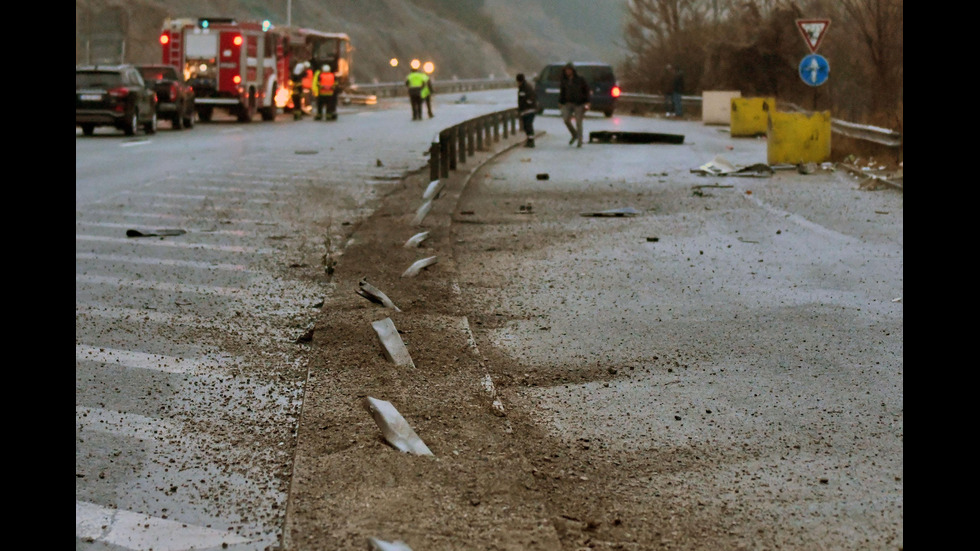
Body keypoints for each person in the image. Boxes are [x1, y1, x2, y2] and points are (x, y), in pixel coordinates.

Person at [558, 62, 590, 147]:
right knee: (566, 119)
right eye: (566, 70)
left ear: (573, 70)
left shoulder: (580, 79)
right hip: (567, 102)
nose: (567, 72)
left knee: (579, 122)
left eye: (569, 70)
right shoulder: (564, 80)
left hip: (578, 103)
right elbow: (562, 92)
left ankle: (580, 140)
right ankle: (574, 134)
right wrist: (560, 102)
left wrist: (587, 102)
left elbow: (586, 90)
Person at [516, 73, 537, 148]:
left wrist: (527, 103)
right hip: (526, 110)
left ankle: (531, 141)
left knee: (528, 125)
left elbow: (528, 99)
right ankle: (529, 139)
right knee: (526, 126)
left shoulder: (526, 87)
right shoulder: (523, 87)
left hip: (529, 110)